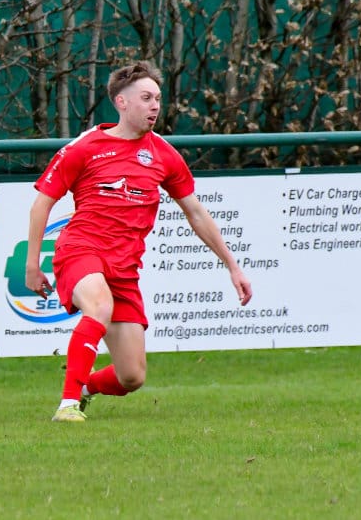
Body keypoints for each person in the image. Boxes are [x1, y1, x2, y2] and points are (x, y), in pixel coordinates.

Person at [25, 60, 252, 422]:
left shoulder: (163, 153)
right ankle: (67, 405)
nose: (155, 106)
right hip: (81, 249)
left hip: (125, 266)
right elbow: (42, 203)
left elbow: (195, 212)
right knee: (99, 306)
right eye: (146, 98)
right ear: (121, 102)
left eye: (158, 99)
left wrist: (232, 266)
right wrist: (32, 264)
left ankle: (83, 387)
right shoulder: (86, 147)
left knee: (131, 376)